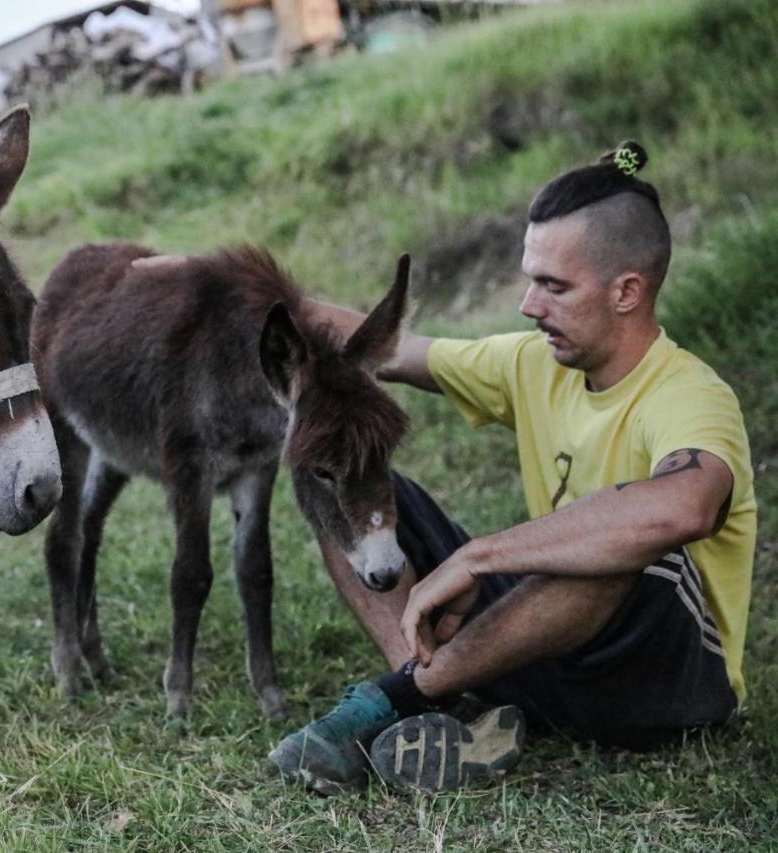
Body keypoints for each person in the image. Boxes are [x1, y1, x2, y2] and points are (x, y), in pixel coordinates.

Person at [269, 141, 757, 795]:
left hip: (660, 687)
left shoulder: (690, 394)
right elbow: (389, 347)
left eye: (553, 286)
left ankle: (401, 696)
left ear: (627, 292)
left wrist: (480, 558)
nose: (529, 304)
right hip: (548, 645)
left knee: (619, 543)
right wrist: (218, 286)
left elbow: (682, 507)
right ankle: (444, 703)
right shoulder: (533, 362)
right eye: (530, 280)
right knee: (350, 488)